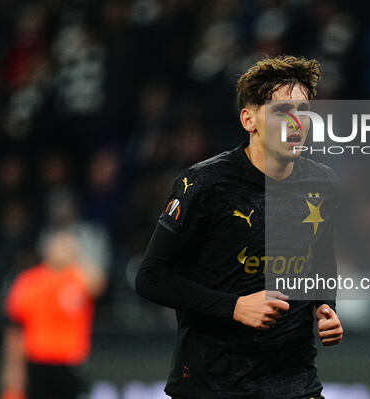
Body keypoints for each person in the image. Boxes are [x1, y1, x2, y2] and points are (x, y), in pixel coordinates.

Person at [135, 55, 343, 399]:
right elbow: (151, 277)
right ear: (249, 119)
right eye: (281, 110)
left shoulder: (322, 182)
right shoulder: (205, 184)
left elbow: (320, 262)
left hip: (294, 383)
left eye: (303, 110)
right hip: (212, 384)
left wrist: (326, 307)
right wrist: (234, 307)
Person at [0, 229, 105, 399]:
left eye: (68, 245)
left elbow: (99, 284)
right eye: (60, 244)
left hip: (70, 360)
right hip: (38, 360)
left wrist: (78, 256)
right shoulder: (28, 281)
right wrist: (13, 369)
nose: (64, 249)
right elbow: (14, 329)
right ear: (46, 249)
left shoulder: (78, 277)